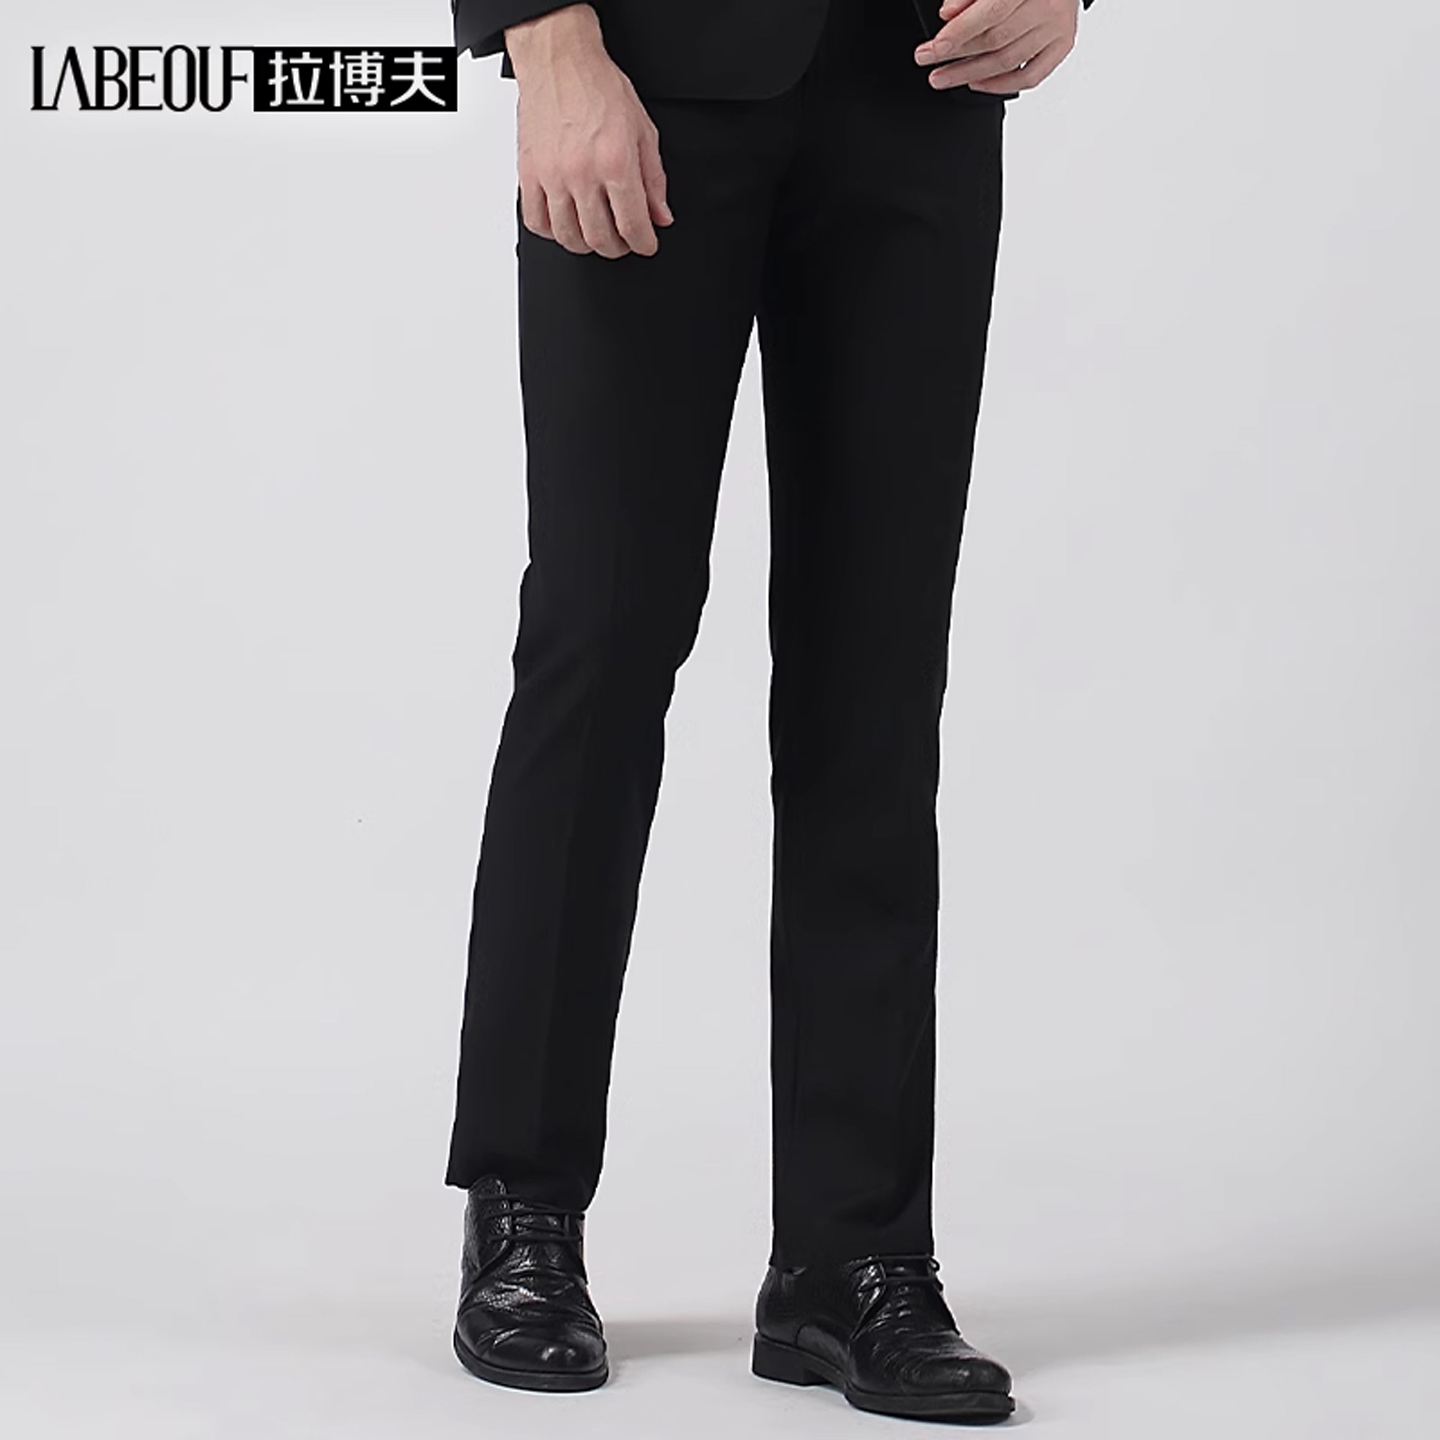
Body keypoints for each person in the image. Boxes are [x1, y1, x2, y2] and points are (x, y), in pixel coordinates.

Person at [443, 0, 1092, 1421]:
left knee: (879, 676)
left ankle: (853, 1260)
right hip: (649, 76)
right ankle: (522, 1208)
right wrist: (546, 41)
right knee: (602, 639)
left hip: (920, 83)